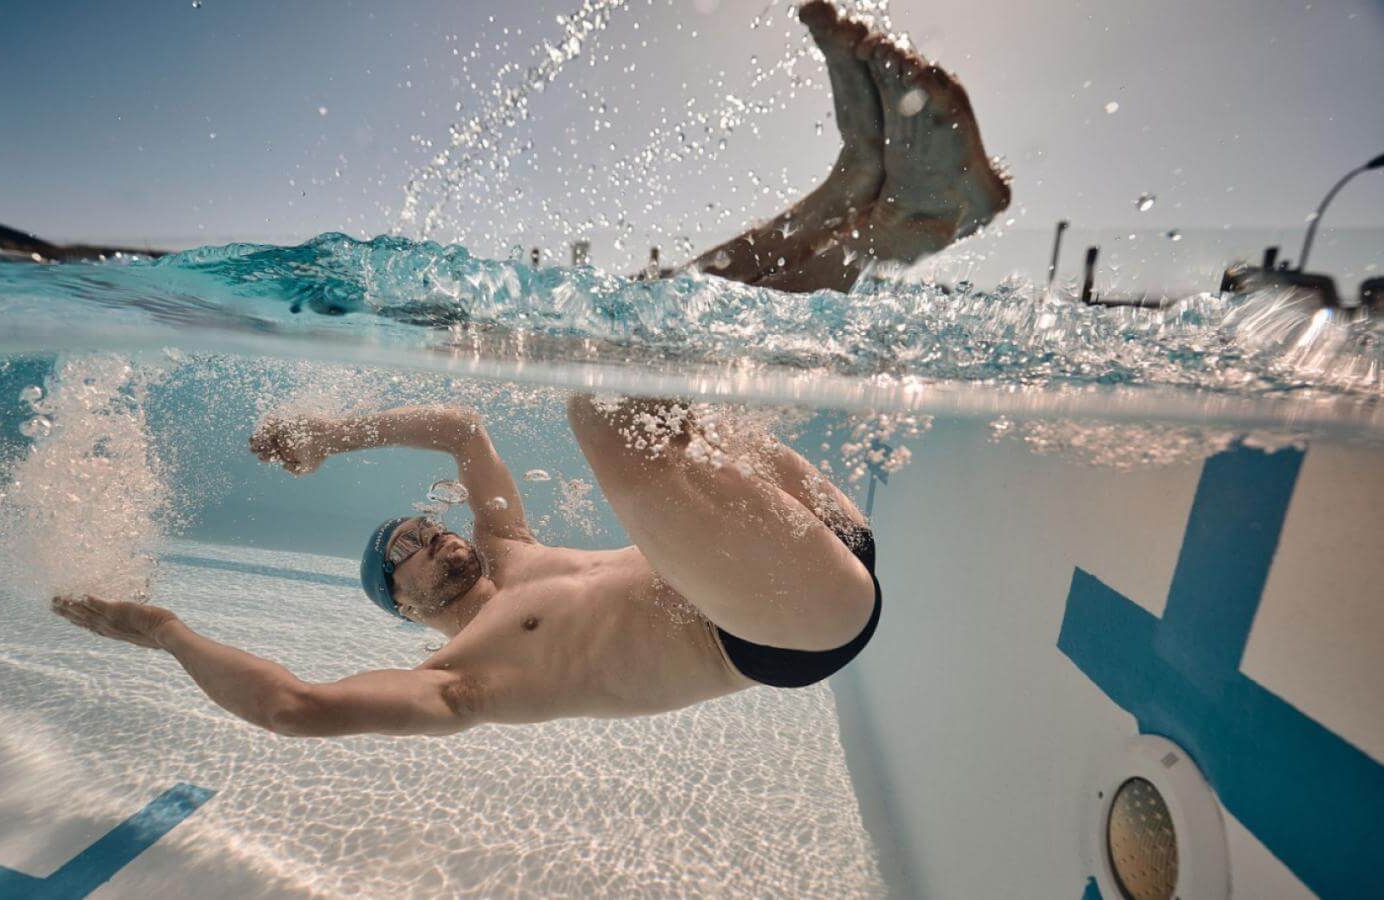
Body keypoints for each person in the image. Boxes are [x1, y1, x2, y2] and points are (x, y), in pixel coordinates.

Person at [51, 2, 1008, 737]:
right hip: (785, 624)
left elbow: (458, 429)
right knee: (607, 404)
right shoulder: (463, 675)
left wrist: (330, 435)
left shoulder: (509, 549)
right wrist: (168, 632)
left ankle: (865, 200)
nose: (430, 535)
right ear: (402, 605)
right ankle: (882, 216)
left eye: (422, 525)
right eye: (406, 549)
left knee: (657, 388)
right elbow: (294, 708)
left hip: (810, 534)